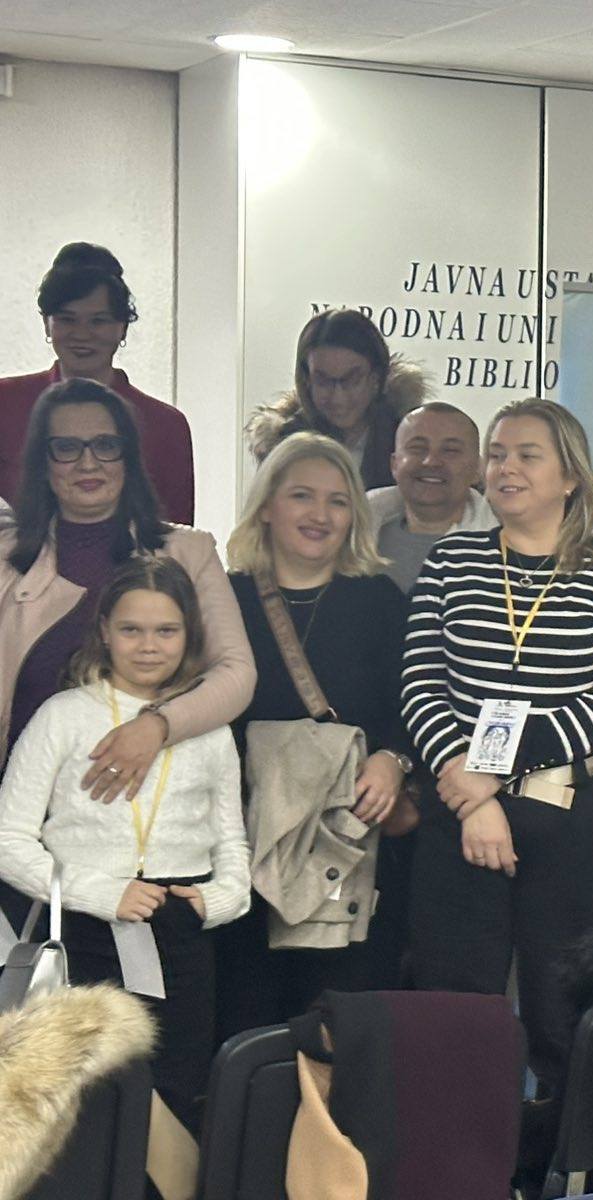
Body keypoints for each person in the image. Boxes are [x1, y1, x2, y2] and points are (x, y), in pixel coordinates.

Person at [401, 398, 593, 1096]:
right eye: (496, 454)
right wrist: (474, 797)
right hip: (459, 814)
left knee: (565, 1017)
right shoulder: (451, 561)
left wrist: (488, 773)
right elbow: (420, 685)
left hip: (573, 818)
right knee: (455, 1012)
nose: (505, 467)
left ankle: (560, 1154)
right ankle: (461, 1149)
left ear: (570, 475)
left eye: (526, 455)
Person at [0, 556, 249, 1132]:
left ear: (189, 636)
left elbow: (232, 843)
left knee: (176, 1095)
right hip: (80, 931)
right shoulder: (63, 716)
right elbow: (9, 838)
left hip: (180, 933)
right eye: (132, 629)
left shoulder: (208, 729)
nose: (149, 646)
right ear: (105, 631)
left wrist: (219, 900)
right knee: (77, 1106)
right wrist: (99, 893)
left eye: (166, 631)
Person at [216, 433, 411, 1039]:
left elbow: (415, 700)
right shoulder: (223, 599)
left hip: (345, 841)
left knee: (338, 1027)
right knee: (244, 1022)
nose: (319, 514)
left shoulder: (379, 599)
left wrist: (392, 759)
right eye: (301, 495)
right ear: (266, 506)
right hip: (244, 842)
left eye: (337, 500)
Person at [0, 378, 254, 777]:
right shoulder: (6, 558)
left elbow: (236, 673)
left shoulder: (189, 552)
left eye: (105, 445)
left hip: (155, 789)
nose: (88, 463)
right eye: (66, 447)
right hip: (23, 793)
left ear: (128, 457)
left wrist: (159, 726)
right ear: (43, 464)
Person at [0, 243, 194, 524]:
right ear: (47, 324)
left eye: (98, 321)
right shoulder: (6, 403)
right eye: (67, 320)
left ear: (122, 328)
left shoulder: (165, 424)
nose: (82, 334)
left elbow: (175, 532)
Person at [245, 308, 430, 491]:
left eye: (352, 380)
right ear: (306, 381)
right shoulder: (283, 447)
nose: (338, 396)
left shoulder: (408, 442)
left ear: (376, 378)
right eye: (323, 381)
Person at [366, 401, 495, 592]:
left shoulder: (507, 551)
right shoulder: (352, 537)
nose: (431, 461)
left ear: (478, 469)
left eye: (450, 450)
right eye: (418, 448)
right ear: (394, 464)